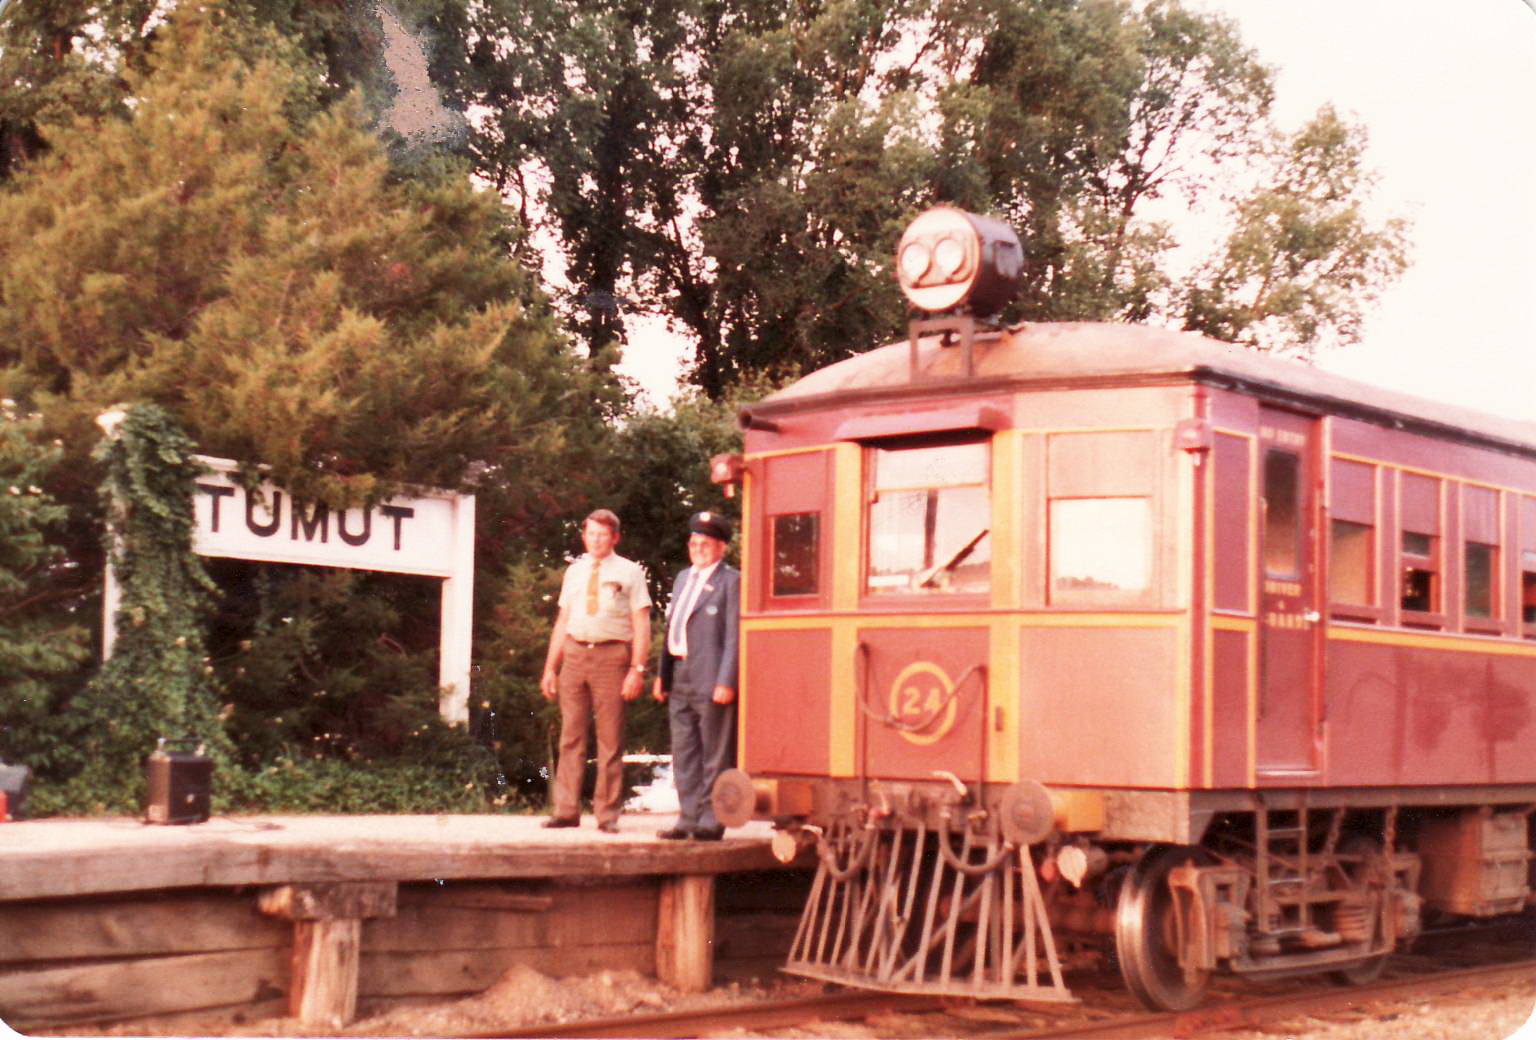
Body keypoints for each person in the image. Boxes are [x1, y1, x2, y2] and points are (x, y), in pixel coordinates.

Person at [540, 509, 651, 834]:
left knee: (610, 739)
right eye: (591, 534)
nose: (596, 540)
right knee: (571, 736)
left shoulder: (630, 571)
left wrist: (637, 669)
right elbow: (562, 621)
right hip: (575, 654)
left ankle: (607, 814)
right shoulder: (574, 571)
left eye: (603, 534)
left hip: (612, 656)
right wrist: (550, 667)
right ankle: (566, 810)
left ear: (615, 537)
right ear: (584, 536)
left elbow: (641, 622)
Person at [653, 511, 740, 841]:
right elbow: (672, 628)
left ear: (721, 547)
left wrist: (726, 680)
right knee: (684, 751)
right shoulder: (682, 578)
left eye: (705, 544)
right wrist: (663, 675)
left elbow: (734, 636)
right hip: (681, 672)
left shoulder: (731, 581)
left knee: (714, 752)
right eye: (693, 543)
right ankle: (687, 818)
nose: (698, 549)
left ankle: (711, 819)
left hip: (711, 676)